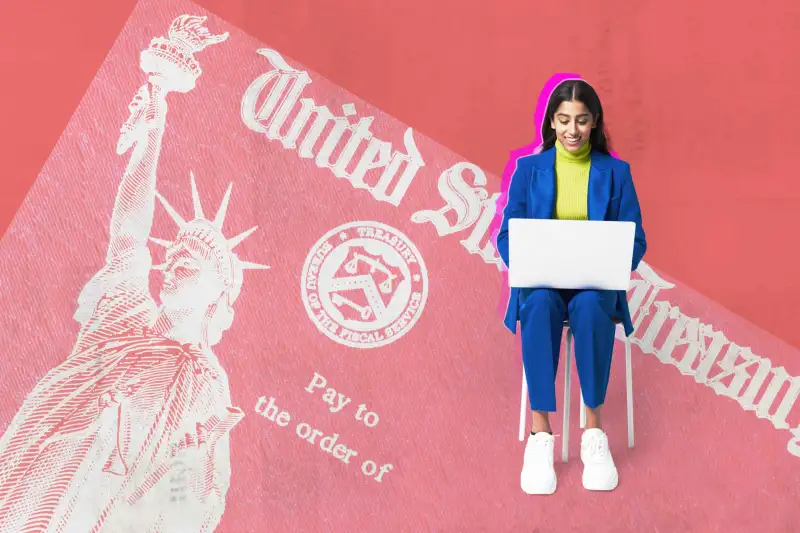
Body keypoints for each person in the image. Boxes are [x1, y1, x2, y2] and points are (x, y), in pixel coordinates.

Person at [495, 79, 647, 495]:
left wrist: (612, 263)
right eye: (564, 120)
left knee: (592, 307)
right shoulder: (530, 170)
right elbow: (507, 234)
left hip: (594, 284)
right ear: (552, 122)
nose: (573, 130)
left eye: (581, 120)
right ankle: (540, 435)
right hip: (542, 280)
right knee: (540, 304)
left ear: (595, 122)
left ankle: (593, 433)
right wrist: (526, 261)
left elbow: (636, 240)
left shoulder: (616, 173)